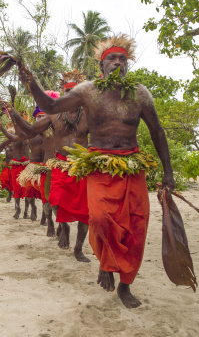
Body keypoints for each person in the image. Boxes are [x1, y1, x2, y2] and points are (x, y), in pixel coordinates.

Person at [17, 34, 175, 308]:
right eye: (111, 59)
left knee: (136, 228)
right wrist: (32, 85)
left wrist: (168, 172)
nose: (117, 63)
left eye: (122, 59)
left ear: (128, 64)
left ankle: (125, 286)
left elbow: (157, 132)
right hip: (100, 165)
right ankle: (106, 262)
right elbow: (53, 106)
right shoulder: (87, 91)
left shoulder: (140, 94)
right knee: (101, 219)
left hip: (132, 167)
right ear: (101, 67)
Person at [10, 72, 91, 262]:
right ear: (64, 96)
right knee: (54, 200)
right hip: (59, 167)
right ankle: (63, 226)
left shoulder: (89, 116)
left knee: (84, 213)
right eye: (68, 93)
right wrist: (13, 112)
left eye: (75, 92)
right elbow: (30, 131)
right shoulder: (54, 117)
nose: (72, 96)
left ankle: (78, 249)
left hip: (81, 169)